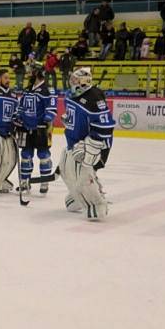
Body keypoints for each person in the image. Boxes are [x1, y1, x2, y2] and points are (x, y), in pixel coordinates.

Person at [58, 67, 115, 220]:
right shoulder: (70, 95)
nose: (72, 82)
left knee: (83, 174)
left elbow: (105, 126)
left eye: (76, 80)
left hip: (92, 145)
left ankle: (97, 203)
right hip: (73, 143)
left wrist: (92, 144)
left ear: (84, 82)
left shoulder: (95, 97)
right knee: (65, 169)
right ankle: (77, 197)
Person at [14, 68, 57, 196]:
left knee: (44, 155)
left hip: (42, 129)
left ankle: (44, 182)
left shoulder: (48, 90)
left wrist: (46, 121)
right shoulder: (28, 89)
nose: (28, 75)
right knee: (26, 155)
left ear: (37, 75)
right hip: (26, 128)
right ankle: (25, 182)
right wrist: (18, 118)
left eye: (31, 73)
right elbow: (21, 106)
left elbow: (52, 108)